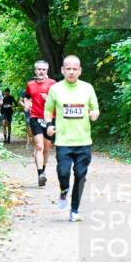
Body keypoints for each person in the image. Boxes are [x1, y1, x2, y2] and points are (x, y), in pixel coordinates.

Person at [44, 55, 99, 221]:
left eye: (75, 69)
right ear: (62, 70)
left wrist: (94, 114)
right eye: (68, 68)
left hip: (83, 141)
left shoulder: (88, 88)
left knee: (81, 176)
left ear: (80, 71)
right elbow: (48, 110)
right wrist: (49, 125)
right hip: (64, 141)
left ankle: (74, 210)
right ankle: (63, 191)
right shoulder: (55, 89)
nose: (71, 71)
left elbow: (95, 109)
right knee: (63, 172)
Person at [20, 60, 56, 186]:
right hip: (35, 117)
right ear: (35, 71)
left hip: (50, 118)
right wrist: (26, 104)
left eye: (43, 70)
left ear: (47, 71)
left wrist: (49, 99)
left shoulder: (52, 84)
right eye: (39, 69)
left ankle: (43, 172)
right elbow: (27, 96)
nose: (41, 72)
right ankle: (40, 173)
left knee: (47, 148)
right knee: (39, 146)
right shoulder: (30, 84)